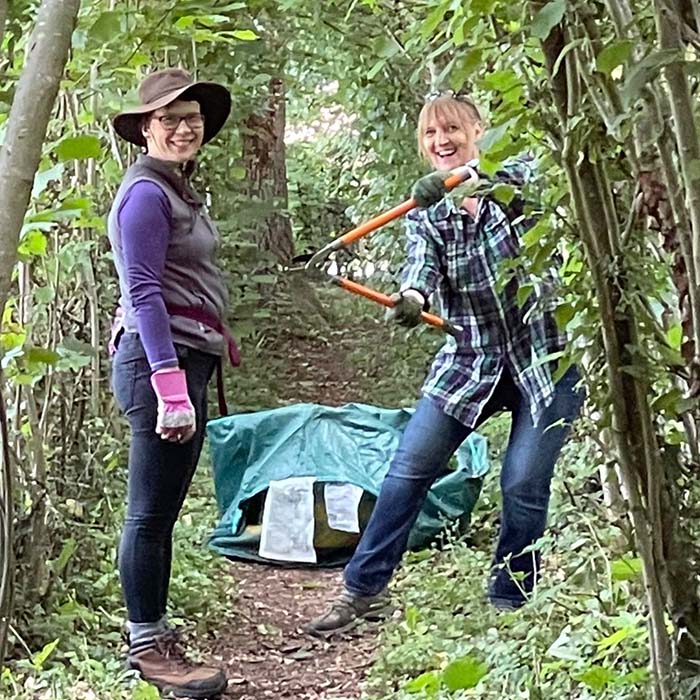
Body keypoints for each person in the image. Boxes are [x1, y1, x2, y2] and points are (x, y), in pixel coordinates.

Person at [305, 92, 585, 637]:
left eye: (452, 129)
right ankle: (364, 592)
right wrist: (412, 296)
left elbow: (528, 188)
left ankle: (510, 601)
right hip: (470, 359)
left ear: (477, 129)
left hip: (546, 358)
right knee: (408, 471)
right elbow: (421, 269)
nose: (442, 142)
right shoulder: (426, 213)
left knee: (523, 480)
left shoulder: (516, 178)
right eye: (431, 135)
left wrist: (473, 178)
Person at [108, 68, 238, 698]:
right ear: (144, 129)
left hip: (187, 360)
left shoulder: (177, 189)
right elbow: (142, 291)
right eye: (170, 119)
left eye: (192, 118)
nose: (185, 128)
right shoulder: (146, 195)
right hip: (160, 364)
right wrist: (170, 385)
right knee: (150, 515)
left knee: (159, 513)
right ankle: (147, 649)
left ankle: (153, 635)